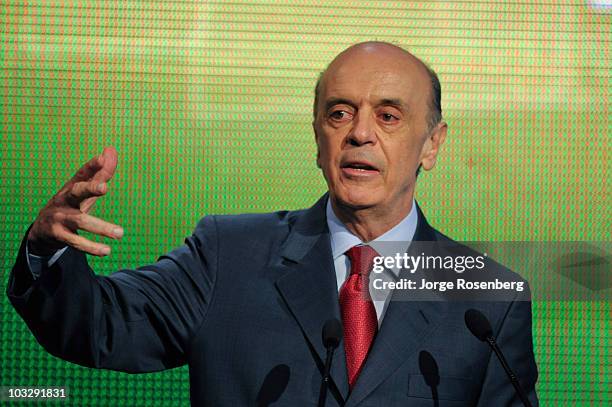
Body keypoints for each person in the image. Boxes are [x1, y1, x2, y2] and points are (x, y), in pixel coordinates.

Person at [7, 41, 539, 406]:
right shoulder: (227, 254)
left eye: (389, 115)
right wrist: (45, 251)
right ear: (318, 136)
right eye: (339, 113)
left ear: (432, 144)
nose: (359, 134)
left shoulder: (489, 300)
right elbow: (97, 326)